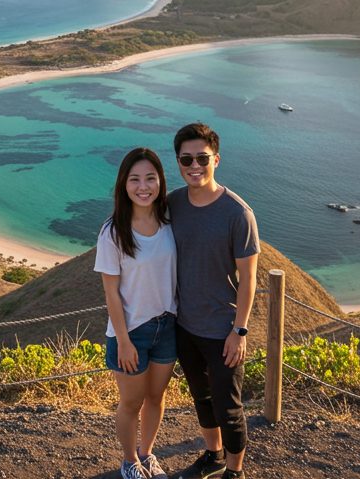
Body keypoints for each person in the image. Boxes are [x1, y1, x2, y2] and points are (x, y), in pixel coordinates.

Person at [168, 122, 260, 479]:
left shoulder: (238, 214)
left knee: (229, 408)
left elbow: (249, 279)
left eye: (202, 158)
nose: (194, 165)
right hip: (184, 324)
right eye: (186, 158)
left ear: (216, 160)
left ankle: (234, 472)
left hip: (223, 330)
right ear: (178, 161)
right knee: (201, 399)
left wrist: (240, 330)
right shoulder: (173, 202)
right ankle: (214, 455)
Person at [95, 147, 178, 479]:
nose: (143, 187)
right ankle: (129, 463)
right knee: (131, 404)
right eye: (135, 179)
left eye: (150, 178)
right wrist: (125, 341)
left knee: (156, 398)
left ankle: (147, 455)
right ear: (123, 184)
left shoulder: (171, 221)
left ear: (160, 181)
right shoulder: (113, 232)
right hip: (131, 332)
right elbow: (111, 293)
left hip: (168, 326)